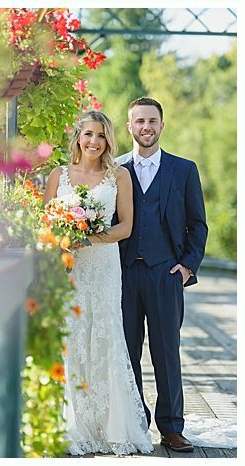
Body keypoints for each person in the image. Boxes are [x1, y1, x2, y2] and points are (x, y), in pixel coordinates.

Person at [43, 111, 153, 455]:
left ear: (108, 141)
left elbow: (125, 228)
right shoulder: (57, 175)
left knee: (104, 334)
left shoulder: (118, 176)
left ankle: (111, 425)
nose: (94, 141)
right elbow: (47, 225)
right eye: (88, 134)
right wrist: (65, 235)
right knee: (71, 336)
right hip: (67, 267)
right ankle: (74, 423)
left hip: (104, 267)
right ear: (77, 137)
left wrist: (89, 236)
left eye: (101, 136)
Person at [115, 97, 208, 453]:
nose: (146, 127)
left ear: (162, 125)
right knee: (126, 350)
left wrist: (186, 267)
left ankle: (171, 427)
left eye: (152, 121)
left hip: (166, 273)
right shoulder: (116, 169)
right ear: (130, 127)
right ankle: (136, 423)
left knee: (167, 351)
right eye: (139, 121)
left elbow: (198, 225)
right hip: (123, 274)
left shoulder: (184, 170)